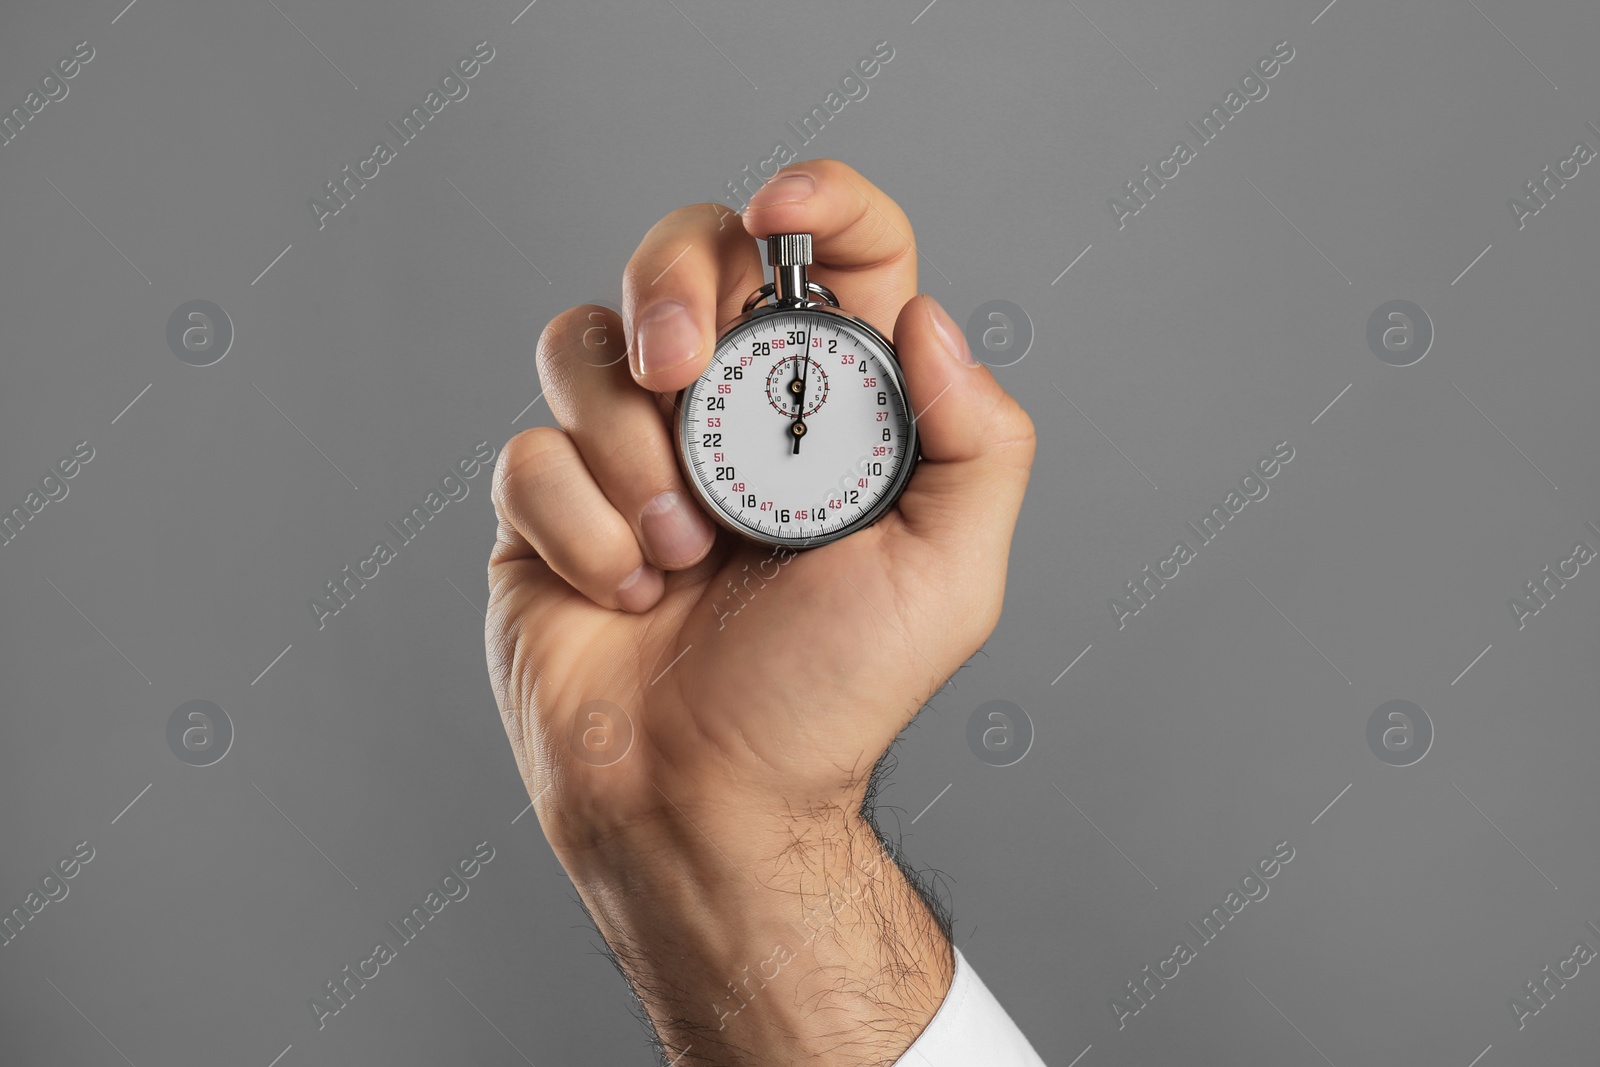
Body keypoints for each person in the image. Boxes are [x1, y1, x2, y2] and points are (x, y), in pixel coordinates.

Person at [484, 159, 1045, 1065]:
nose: (794, 424)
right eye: (766, 408)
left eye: (808, 410)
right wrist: (697, 808)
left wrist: (722, 813)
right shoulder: (791, 384)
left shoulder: (847, 389)